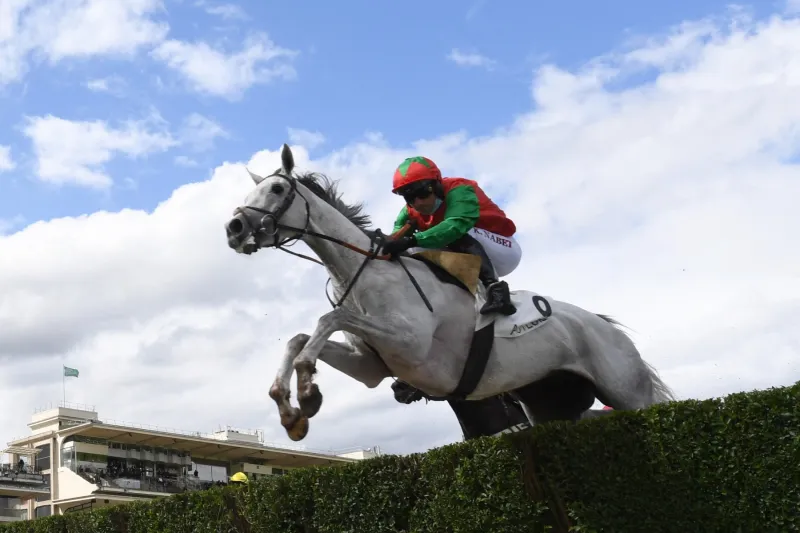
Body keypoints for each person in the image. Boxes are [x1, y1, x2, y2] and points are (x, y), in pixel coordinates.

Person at [381, 156, 522, 316]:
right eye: (410, 198)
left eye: (423, 193)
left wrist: (411, 239)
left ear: (436, 184)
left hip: (504, 250)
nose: (418, 203)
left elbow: (455, 226)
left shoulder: (460, 189)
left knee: (456, 233)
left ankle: (496, 291)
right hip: (471, 256)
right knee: (414, 250)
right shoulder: (409, 211)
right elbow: (395, 237)